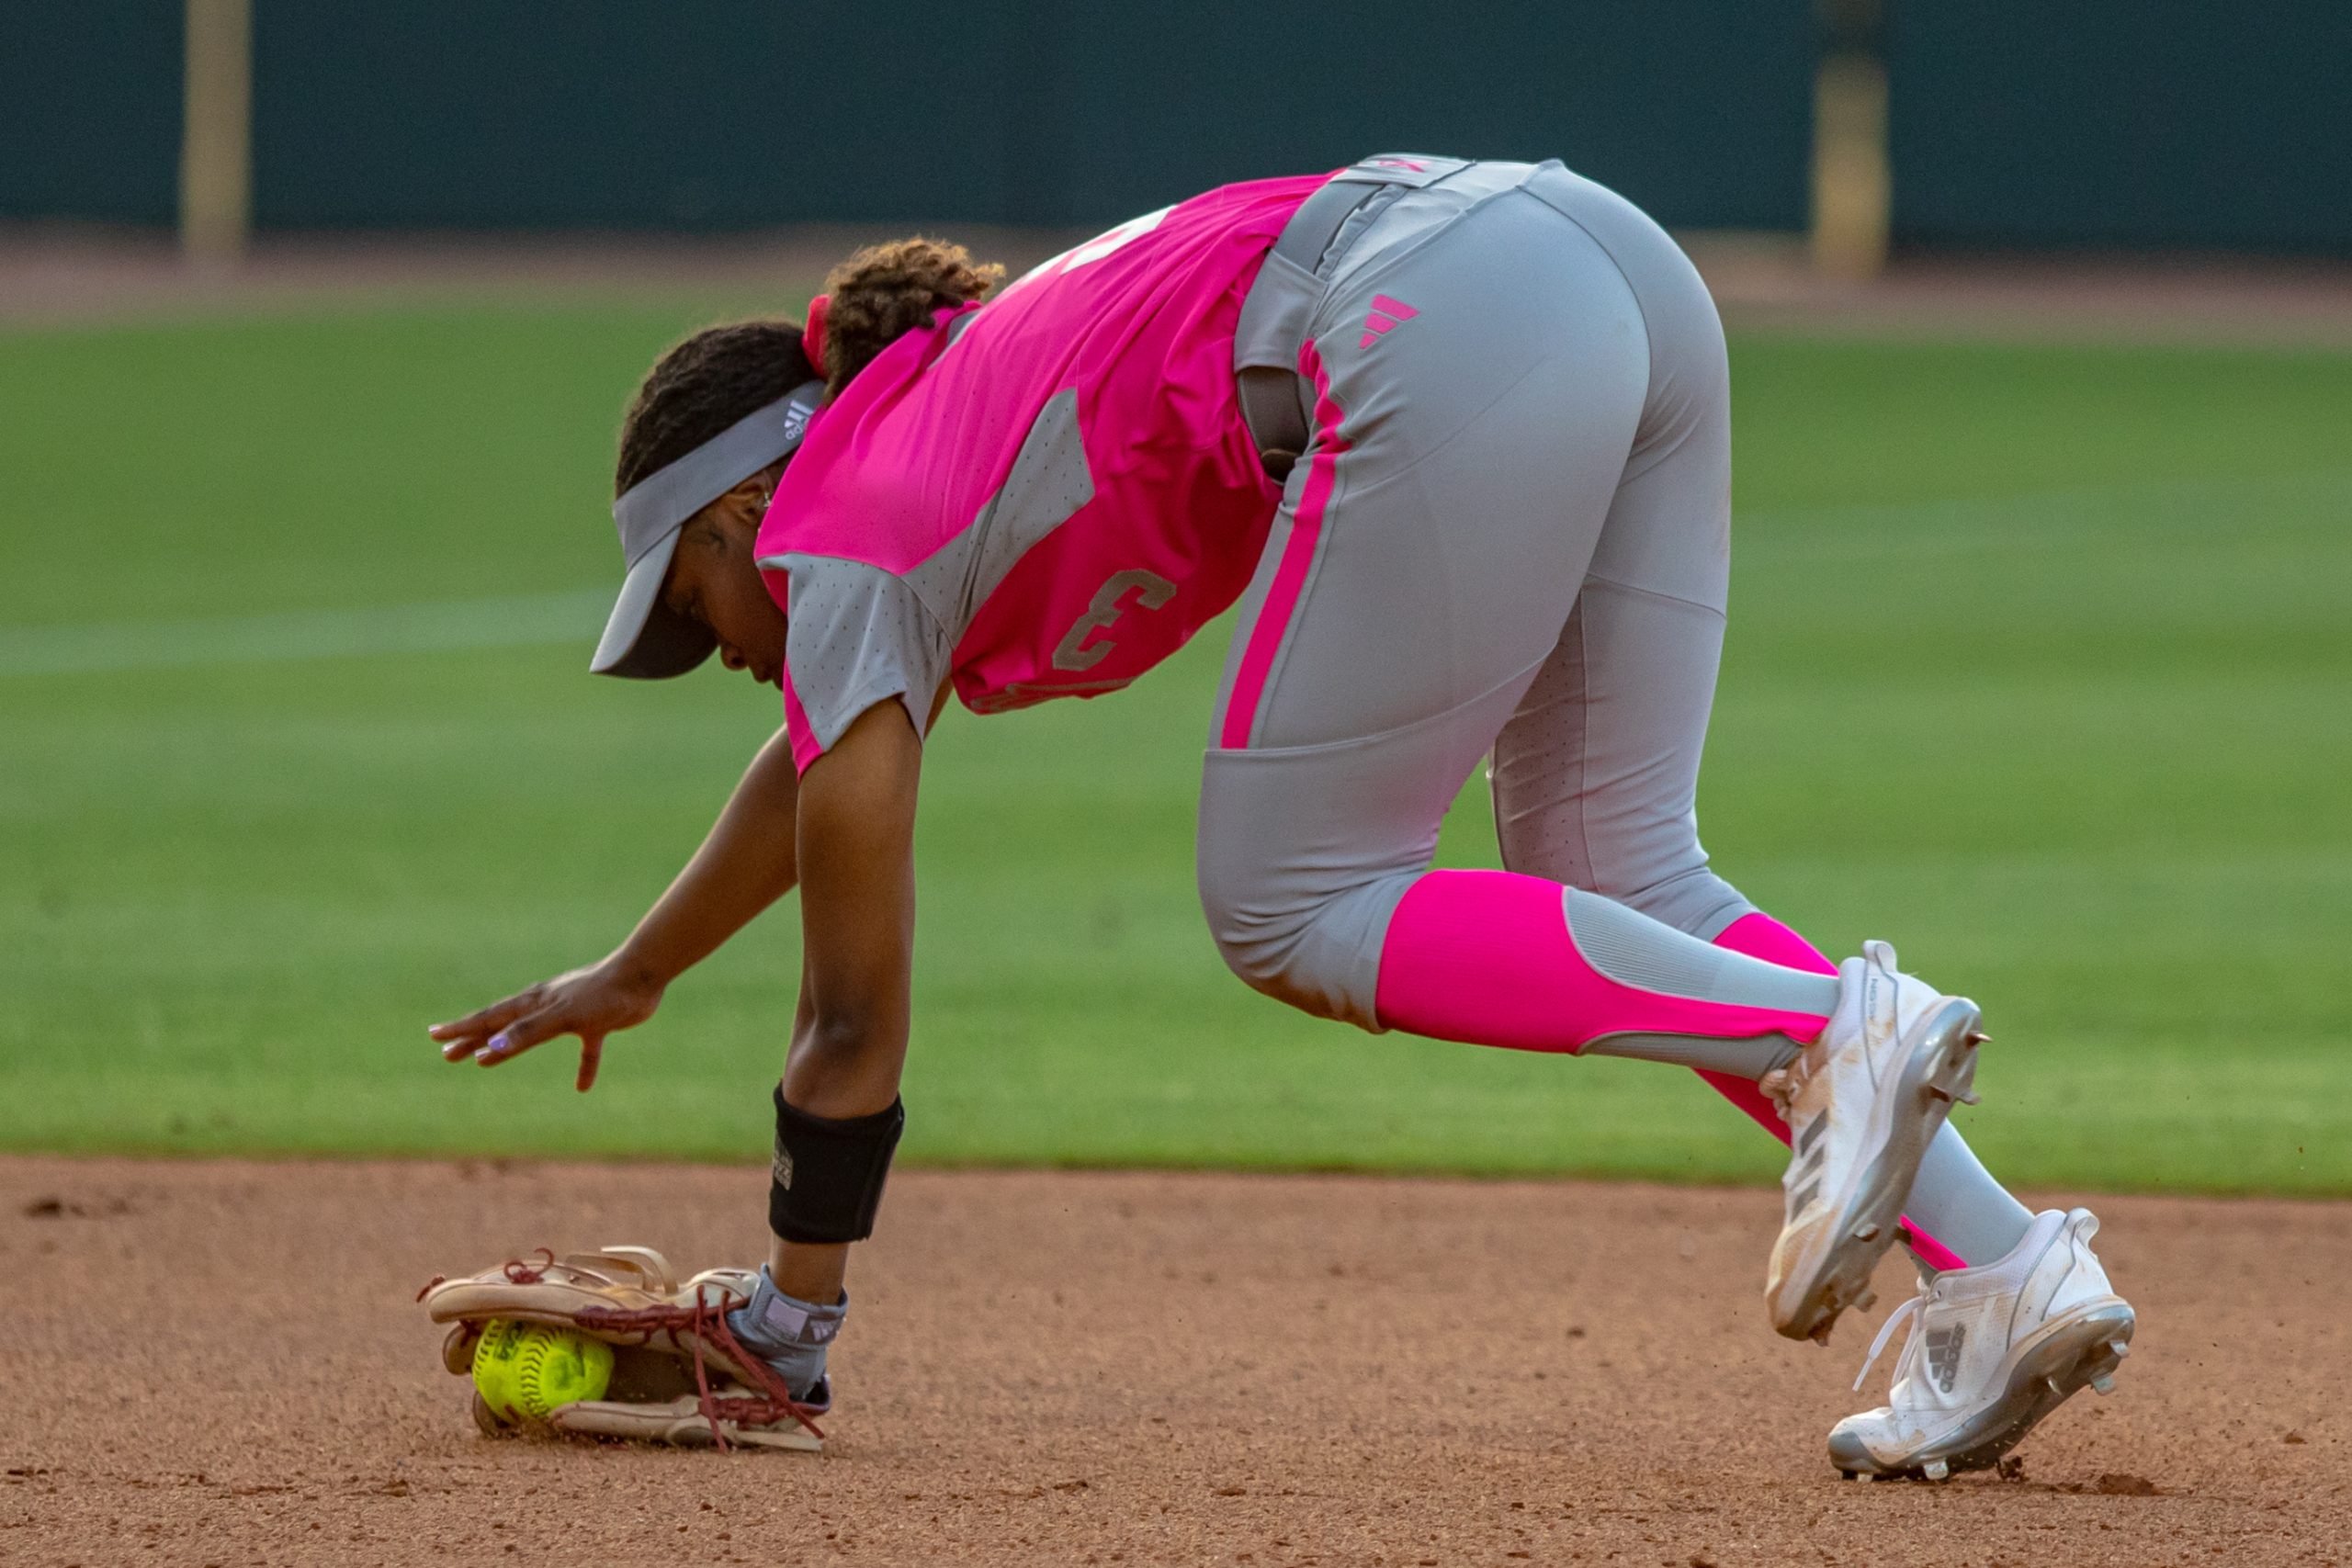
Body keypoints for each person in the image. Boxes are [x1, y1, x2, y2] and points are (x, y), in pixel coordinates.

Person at [428, 154, 2135, 1480]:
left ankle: (1832, 1030)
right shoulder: (913, 443)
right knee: (1614, 865)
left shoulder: (841, 537)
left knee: (1291, 899)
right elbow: (820, 773)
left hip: (1430, 317)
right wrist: (644, 966)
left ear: (746, 508)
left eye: (689, 595)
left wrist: (793, 1316)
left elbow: (850, 1017)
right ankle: (2002, 1272)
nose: (706, 643)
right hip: (1593, 261)